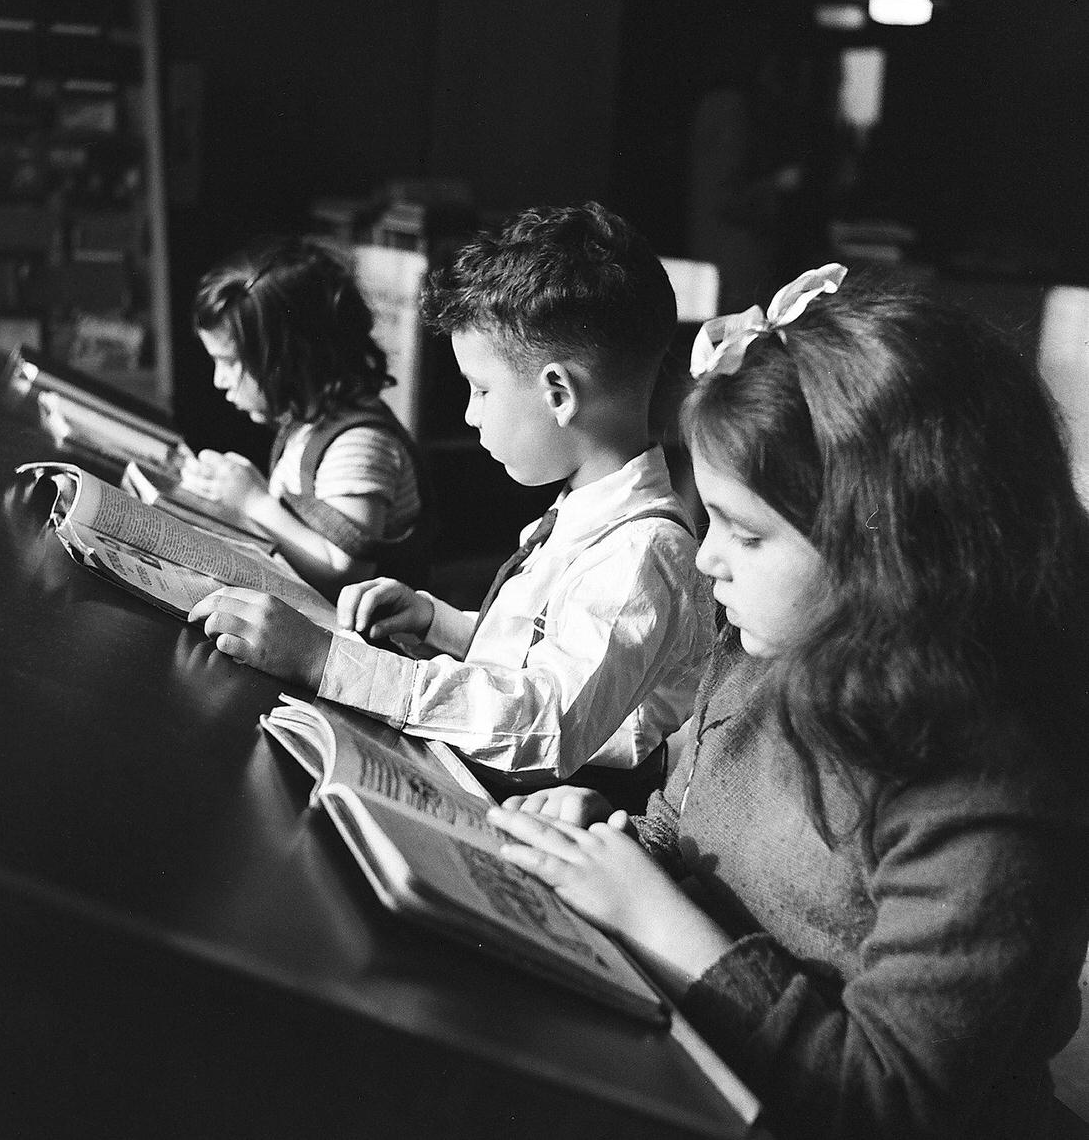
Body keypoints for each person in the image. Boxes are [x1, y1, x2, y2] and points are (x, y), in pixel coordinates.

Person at [489, 266, 1089, 1140]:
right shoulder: (769, 658)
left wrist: (656, 917)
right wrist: (612, 837)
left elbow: (890, 1101)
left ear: (890, 545)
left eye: (748, 533)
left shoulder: (988, 791)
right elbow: (684, 825)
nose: (703, 562)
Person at [189, 202, 715, 787]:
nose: (469, 413)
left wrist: (325, 660)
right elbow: (538, 657)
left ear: (559, 392)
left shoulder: (641, 554)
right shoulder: (586, 511)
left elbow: (545, 722)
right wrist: (435, 619)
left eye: (482, 389)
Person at [178, 236, 432, 596]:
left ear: (289, 357)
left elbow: (345, 571)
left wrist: (252, 500)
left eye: (230, 362)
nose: (219, 381)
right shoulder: (307, 427)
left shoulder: (359, 444)